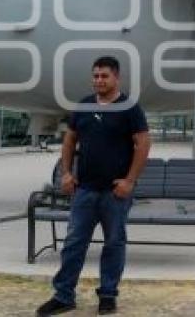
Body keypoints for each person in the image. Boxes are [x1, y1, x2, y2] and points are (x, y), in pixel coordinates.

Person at [37, 56, 151, 316]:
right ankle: (64, 295)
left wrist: (130, 181)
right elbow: (69, 141)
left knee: (114, 244)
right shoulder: (83, 106)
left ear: (116, 78)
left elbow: (143, 144)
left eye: (104, 76)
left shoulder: (129, 108)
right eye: (96, 76)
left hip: (115, 193)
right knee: (74, 243)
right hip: (85, 190)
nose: (99, 80)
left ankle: (108, 296)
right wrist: (66, 173)